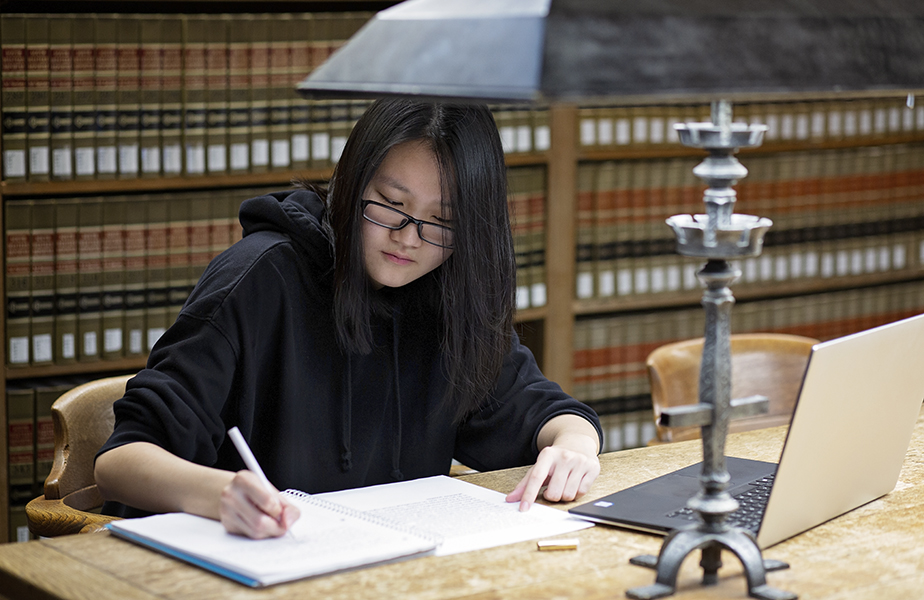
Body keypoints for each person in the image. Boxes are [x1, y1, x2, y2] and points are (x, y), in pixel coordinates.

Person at [94, 98, 602, 539]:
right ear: (351, 182)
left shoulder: (446, 297)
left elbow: (543, 410)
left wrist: (575, 445)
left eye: (443, 221)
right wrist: (221, 493)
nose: (409, 237)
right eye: (389, 204)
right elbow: (121, 461)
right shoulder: (260, 278)